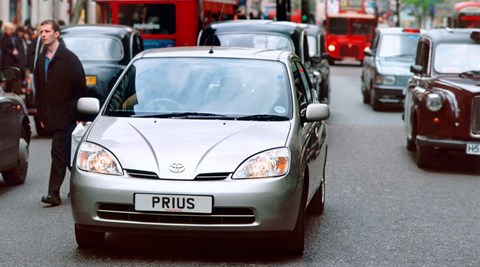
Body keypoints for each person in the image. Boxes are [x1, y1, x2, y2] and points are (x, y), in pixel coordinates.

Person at [34, 19, 86, 206]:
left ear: (57, 34)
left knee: (58, 151)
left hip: (68, 114)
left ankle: (53, 193)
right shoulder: (41, 60)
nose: (43, 35)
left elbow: (81, 88)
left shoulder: (70, 59)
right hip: (51, 115)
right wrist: (41, 115)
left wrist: (82, 116)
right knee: (65, 155)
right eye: (41, 32)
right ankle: (83, 185)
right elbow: (40, 90)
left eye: (47, 31)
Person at [1, 22, 19, 93]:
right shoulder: (4, 37)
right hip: (6, 62)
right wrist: (12, 52)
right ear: (6, 29)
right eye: (10, 29)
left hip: (10, 61)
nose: (11, 31)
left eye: (12, 29)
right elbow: (4, 48)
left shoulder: (9, 37)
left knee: (10, 80)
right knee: (8, 80)